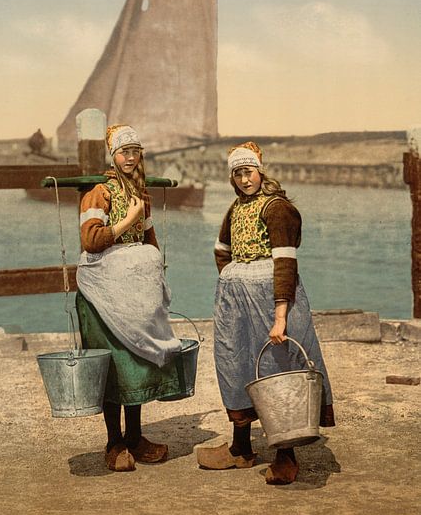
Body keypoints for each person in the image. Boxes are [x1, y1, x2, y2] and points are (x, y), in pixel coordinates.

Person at [196, 141, 335, 484]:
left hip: (274, 298)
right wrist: (233, 282)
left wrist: (280, 316)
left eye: (249, 172)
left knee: (279, 368)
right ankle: (241, 449)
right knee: (235, 364)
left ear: (261, 171)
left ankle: (286, 455)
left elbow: (285, 264)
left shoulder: (277, 208)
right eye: (238, 174)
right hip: (237, 303)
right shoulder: (234, 209)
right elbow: (221, 250)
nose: (244, 180)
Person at [76, 124, 183, 472]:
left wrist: (155, 282)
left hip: (134, 293)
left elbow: (149, 238)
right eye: (125, 151)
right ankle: (114, 441)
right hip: (102, 293)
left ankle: (135, 437)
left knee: (136, 362)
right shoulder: (98, 194)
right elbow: (91, 241)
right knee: (112, 365)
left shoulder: (142, 194)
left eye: (136, 151)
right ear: (113, 155)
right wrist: (128, 220)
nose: (131, 157)